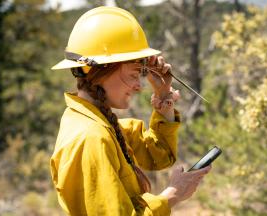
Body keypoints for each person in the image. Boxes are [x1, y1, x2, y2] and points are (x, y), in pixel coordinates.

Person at [50, 6, 211, 216]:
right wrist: (172, 195)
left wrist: (163, 95)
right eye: (134, 75)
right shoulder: (90, 138)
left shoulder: (103, 126)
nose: (139, 86)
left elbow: (159, 155)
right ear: (102, 69)